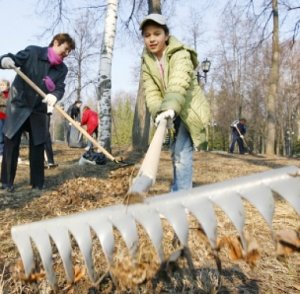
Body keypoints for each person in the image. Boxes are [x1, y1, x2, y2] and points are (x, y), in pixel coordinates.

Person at [140, 14, 210, 192]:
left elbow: (178, 83)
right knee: (176, 153)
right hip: (172, 110)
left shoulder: (180, 54)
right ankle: (178, 191)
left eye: (157, 33)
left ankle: (182, 199)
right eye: (147, 35)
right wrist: (158, 112)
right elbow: (151, 91)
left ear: (166, 35)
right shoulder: (147, 61)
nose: (152, 39)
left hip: (189, 110)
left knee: (181, 152)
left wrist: (169, 107)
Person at [0, 33, 75, 192]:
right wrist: (5, 60)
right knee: (11, 143)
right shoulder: (33, 52)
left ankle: (37, 184)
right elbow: (13, 58)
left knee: (38, 145)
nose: (67, 54)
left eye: (69, 52)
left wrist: (54, 96)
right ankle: (6, 184)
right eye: (66, 49)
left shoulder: (62, 69)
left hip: (38, 110)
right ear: (56, 42)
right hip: (19, 105)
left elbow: (60, 87)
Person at [0, 79, 10, 161]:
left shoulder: (11, 94)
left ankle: (9, 153)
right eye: (1, 85)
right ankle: (1, 153)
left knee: (8, 136)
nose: (2, 87)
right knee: (0, 136)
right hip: (0, 118)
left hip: (9, 118)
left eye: (3, 85)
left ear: (8, 86)